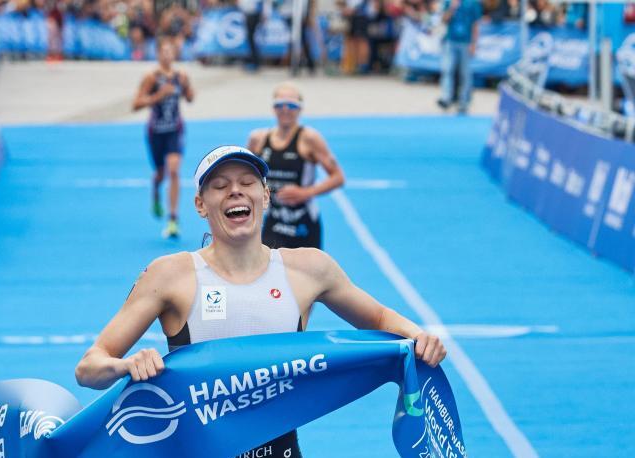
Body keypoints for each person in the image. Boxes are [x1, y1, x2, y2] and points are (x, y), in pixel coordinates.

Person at [75, 145, 447, 458]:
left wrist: (419, 336)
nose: (235, 191)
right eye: (220, 186)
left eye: (247, 183)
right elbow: (89, 367)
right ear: (201, 204)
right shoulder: (169, 275)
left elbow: (379, 318)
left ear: (265, 196)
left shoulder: (309, 269)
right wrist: (126, 365)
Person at [247, 82, 344, 250]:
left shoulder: (310, 139)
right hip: (273, 221)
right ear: (273, 108)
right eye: (280, 105)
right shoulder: (258, 139)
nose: (285, 109)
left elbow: (338, 177)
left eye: (291, 105)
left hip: (304, 222)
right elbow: (246, 176)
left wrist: (306, 193)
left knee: (308, 267)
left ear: (300, 109)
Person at [132, 38, 194, 238]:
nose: (167, 55)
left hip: (175, 130)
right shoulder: (151, 77)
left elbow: (190, 98)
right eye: (164, 52)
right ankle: (156, 189)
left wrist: (187, 85)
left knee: (174, 170)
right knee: (161, 174)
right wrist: (158, 96)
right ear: (158, 54)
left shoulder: (180, 75)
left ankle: (173, 219)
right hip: (155, 132)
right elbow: (135, 104)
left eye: (170, 51)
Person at [436, 0, 482, 115]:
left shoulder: (473, 3)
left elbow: (475, 24)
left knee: (465, 73)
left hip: (466, 42)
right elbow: (444, 20)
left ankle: (464, 101)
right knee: (447, 69)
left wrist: (474, 43)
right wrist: (452, 8)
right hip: (450, 41)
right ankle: (446, 98)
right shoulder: (449, 2)